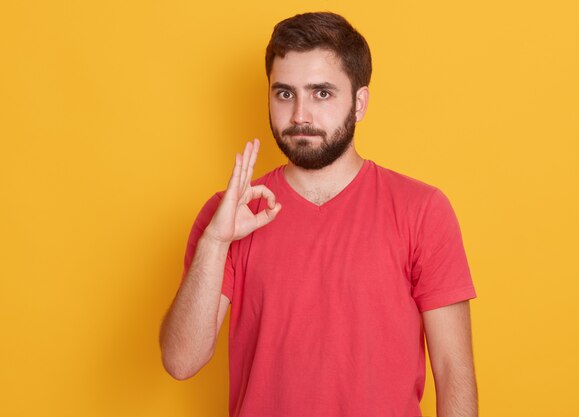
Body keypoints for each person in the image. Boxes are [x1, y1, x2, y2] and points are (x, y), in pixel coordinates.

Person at [160, 11, 478, 417]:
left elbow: (454, 371)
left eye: (321, 93)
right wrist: (216, 241)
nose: (300, 116)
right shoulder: (231, 213)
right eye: (285, 94)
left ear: (359, 103)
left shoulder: (422, 210)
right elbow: (181, 361)